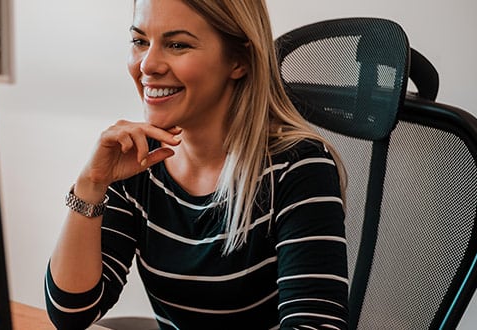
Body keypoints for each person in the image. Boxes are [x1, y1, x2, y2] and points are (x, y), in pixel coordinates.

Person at [45, 0, 349, 328]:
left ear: (239, 60)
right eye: (139, 41)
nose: (148, 65)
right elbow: (72, 314)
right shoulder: (137, 159)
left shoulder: (299, 166)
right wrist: (91, 184)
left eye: (177, 45)